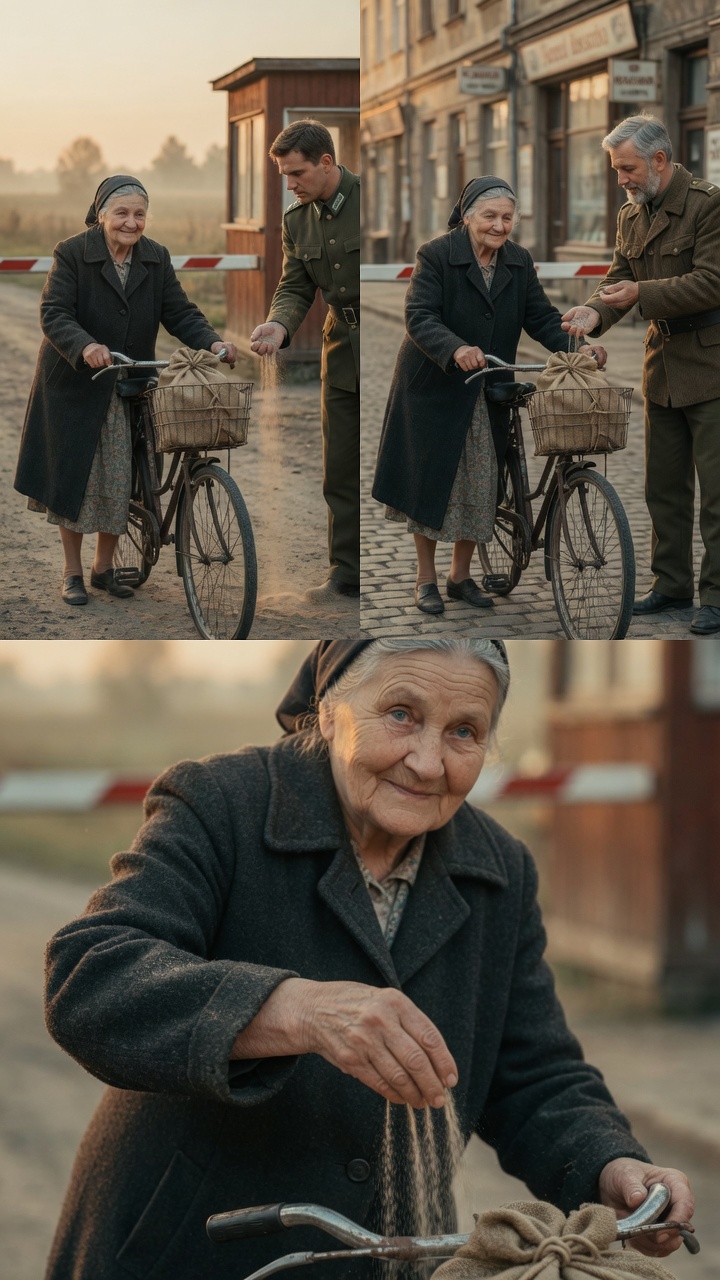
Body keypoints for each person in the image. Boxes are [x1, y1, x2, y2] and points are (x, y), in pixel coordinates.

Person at [44, 638, 694, 1280]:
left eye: (464, 732)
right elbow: (91, 975)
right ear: (330, 712)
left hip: (383, 1259)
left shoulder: (499, 871)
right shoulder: (222, 804)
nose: (428, 763)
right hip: (191, 1250)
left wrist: (611, 1163)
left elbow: (534, 1072)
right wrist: (296, 1009)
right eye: (401, 714)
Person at [372, 177, 607, 615]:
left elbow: (542, 318)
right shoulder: (436, 254)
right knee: (429, 482)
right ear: (467, 216)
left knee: (482, 483)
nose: (499, 226)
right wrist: (454, 348)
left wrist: (580, 347)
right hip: (435, 385)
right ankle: (425, 579)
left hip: (488, 386)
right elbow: (419, 315)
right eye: (489, 216)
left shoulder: (518, 260)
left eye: (507, 217)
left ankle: (460, 576)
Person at [14, 174, 237, 607]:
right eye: (121, 213)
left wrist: (212, 342)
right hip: (77, 384)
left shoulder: (155, 256)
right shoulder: (72, 252)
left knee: (123, 480)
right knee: (78, 479)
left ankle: (103, 568)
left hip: (130, 383)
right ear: (101, 215)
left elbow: (179, 311)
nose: (131, 223)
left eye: (139, 214)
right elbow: (54, 311)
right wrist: (86, 346)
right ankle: (72, 571)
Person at [562, 114, 720, 636]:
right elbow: (619, 277)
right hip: (663, 369)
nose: (621, 179)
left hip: (712, 367)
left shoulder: (708, 204)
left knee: (717, 495)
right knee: (663, 489)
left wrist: (641, 294)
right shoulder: (632, 214)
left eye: (627, 168)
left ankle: (717, 596)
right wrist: (593, 313)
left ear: (659, 160)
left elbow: (713, 281)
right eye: (616, 169)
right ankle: (671, 583)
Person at [250, 120, 360, 601]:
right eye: (285, 176)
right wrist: (279, 325)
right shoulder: (297, 221)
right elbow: (295, 286)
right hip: (341, 351)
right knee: (340, 467)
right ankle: (347, 572)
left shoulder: (367, 201)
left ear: (327, 162)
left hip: (386, 347)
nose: (290, 185)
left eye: (297, 174)